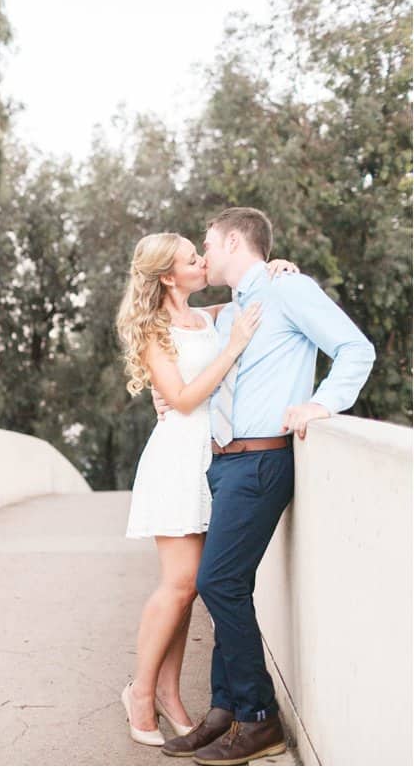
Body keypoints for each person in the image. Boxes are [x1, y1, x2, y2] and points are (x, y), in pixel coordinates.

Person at [152, 208, 375, 765]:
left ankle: (259, 717)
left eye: (208, 243)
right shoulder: (233, 313)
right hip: (224, 462)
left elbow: (356, 349)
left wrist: (322, 403)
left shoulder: (288, 291)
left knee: (218, 582)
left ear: (232, 239)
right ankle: (225, 711)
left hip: (261, 461)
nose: (203, 254)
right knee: (229, 584)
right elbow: (176, 324)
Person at [114, 232, 297, 748]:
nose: (203, 261)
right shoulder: (154, 329)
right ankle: (141, 693)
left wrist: (274, 268)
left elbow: (251, 299)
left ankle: (170, 697)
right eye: (193, 259)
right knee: (178, 583)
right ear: (169, 277)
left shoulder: (208, 317)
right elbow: (184, 398)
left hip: (213, 458)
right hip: (177, 460)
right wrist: (235, 344)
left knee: (192, 585)